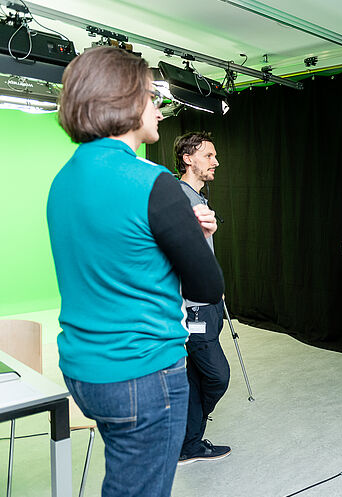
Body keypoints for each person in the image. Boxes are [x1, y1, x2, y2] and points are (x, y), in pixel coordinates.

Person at [47, 47, 224, 497]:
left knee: (124, 478)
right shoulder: (153, 183)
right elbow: (207, 286)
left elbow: (115, 256)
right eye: (152, 96)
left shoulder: (64, 179)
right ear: (126, 102)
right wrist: (197, 233)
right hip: (142, 373)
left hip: (84, 370)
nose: (159, 108)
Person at [173, 131, 232, 464]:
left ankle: (188, 442)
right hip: (193, 310)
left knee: (196, 374)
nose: (215, 162)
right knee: (216, 375)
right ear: (188, 158)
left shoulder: (197, 198)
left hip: (208, 306)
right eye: (209, 155)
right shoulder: (180, 200)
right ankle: (187, 432)